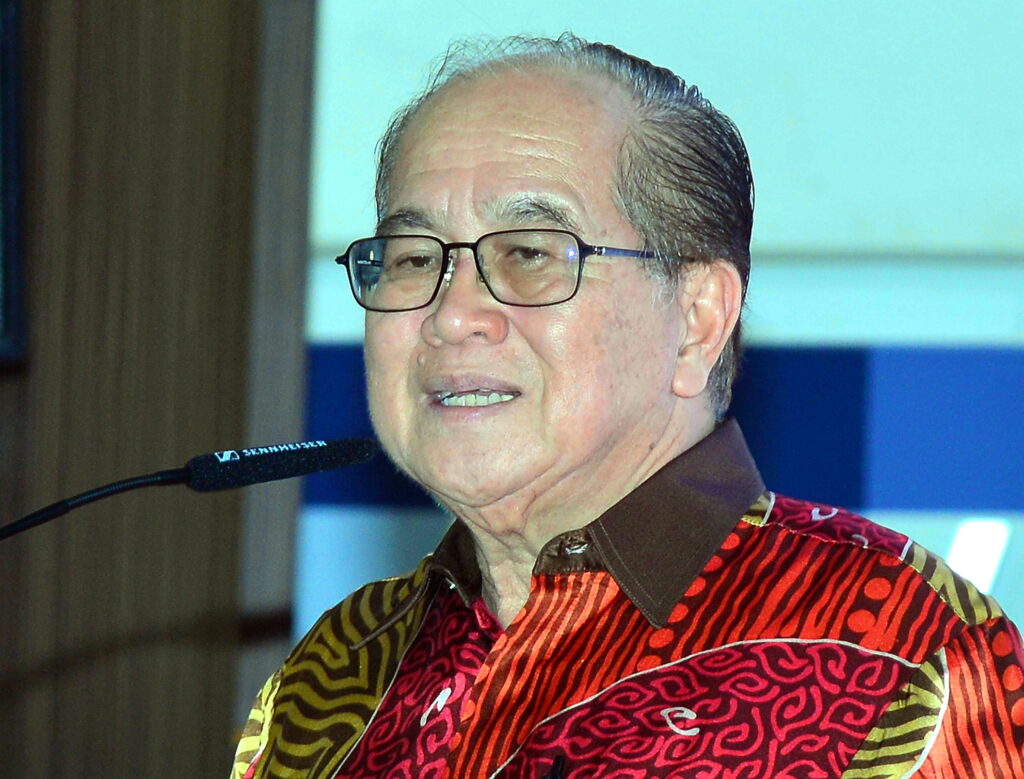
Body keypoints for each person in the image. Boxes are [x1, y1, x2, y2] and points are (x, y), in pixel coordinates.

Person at [232, 34, 1024, 778]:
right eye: (412, 258)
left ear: (697, 320)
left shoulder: (899, 652)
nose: (451, 314)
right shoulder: (333, 674)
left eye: (530, 252)